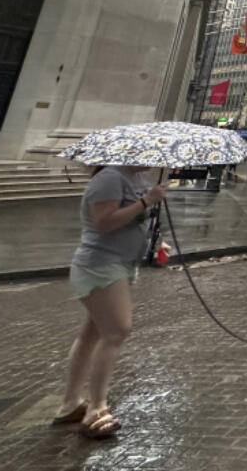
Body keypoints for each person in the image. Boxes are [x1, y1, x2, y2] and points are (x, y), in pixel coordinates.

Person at [52, 166, 166, 439]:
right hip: (101, 264)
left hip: (120, 263)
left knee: (93, 333)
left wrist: (157, 243)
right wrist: (146, 201)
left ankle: (70, 404)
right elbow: (103, 222)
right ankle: (96, 408)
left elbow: (134, 221)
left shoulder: (137, 178)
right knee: (117, 330)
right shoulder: (109, 178)